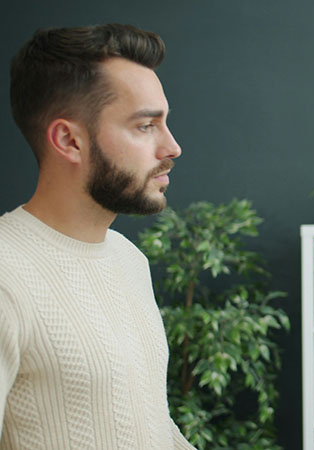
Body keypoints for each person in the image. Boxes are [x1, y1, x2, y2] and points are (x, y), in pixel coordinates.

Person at [0, 24, 194, 449]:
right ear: (69, 140)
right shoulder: (6, 274)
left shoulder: (128, 260)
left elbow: (152, 427)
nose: (172, 147)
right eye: (146, 126)